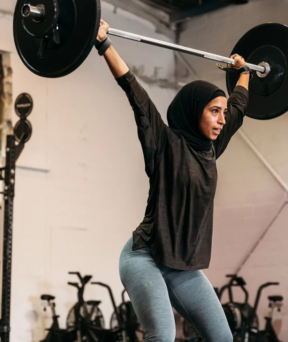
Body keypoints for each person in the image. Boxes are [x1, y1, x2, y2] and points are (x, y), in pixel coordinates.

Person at [96, 19, 251, 341]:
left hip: (183, 266)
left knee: (223, 338)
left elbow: (238, 105)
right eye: (213, 111)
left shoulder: (210, 147)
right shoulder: (165, 144)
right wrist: (103, 44)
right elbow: (134, 91)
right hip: (144, 257)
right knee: (162, 336)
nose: (222, 119)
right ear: (195, 111)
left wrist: (245, 71)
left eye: (222, 112)